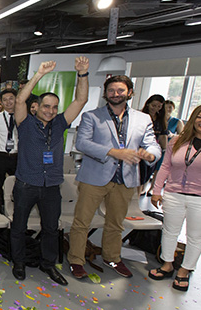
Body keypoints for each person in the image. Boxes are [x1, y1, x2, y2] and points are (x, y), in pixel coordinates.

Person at [68, 76, 161, 279]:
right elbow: (82, 143)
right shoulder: (92, 116)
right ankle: (76, 260)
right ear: (105, 93)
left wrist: (150, 154)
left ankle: (112, 257)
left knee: (116, 223)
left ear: (130, 92)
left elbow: (153, 144)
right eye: (111, 90)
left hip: (126, 179)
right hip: (94, 177)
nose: (115, 94)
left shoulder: (142, 119)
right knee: (82, 222)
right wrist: (113, 152)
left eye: (120, 90)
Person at [9, 57, 90, 286]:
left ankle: (48, 264)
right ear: (37, 107)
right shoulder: (25, 123)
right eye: (46, 106)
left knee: (51, 228)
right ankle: (19, 263)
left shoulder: (60, 123)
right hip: (26, 184)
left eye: (55, 107)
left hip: (51, 185)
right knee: (19, 227)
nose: (51, 111)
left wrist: (82, 73)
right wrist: (39, 75)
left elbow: (81, 100)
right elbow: (20, 99)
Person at [148, 103, 201, 291]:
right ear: (193, 119)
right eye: (200, 116)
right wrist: (157, 190)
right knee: (169, 231)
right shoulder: (178, 141)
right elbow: (166, 166)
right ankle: (167, 264)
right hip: (174, 194)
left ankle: (184, 270)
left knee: (196, 237)